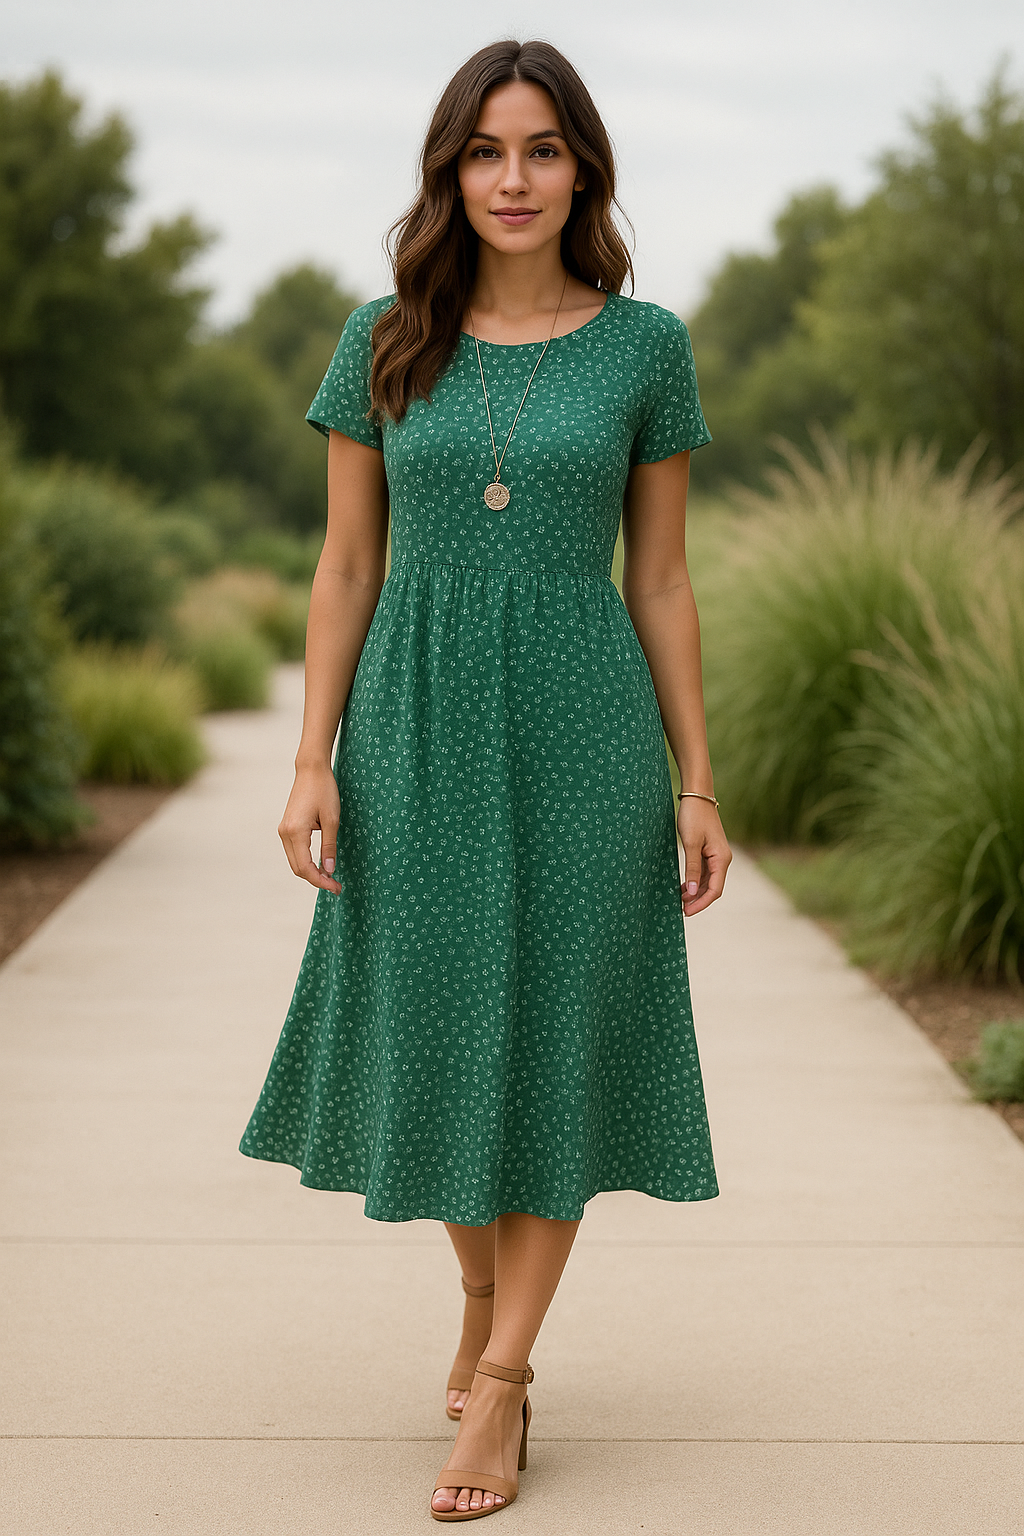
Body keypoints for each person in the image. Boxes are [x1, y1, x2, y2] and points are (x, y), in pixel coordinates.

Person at [239, 37, 731, 1522]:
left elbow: (660, 578)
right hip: (415, 720)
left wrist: (696, 780)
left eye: (541, 150)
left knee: (561, 1029)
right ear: (449, 171)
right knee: (440, 1026)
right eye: (484, 151)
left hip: (586, 726)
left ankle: (505, 1380)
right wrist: (313, 757)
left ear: (582, 167)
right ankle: (479, 1293)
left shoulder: (648, 348)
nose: (513, 179)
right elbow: (343, 564)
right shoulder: (383, 337)